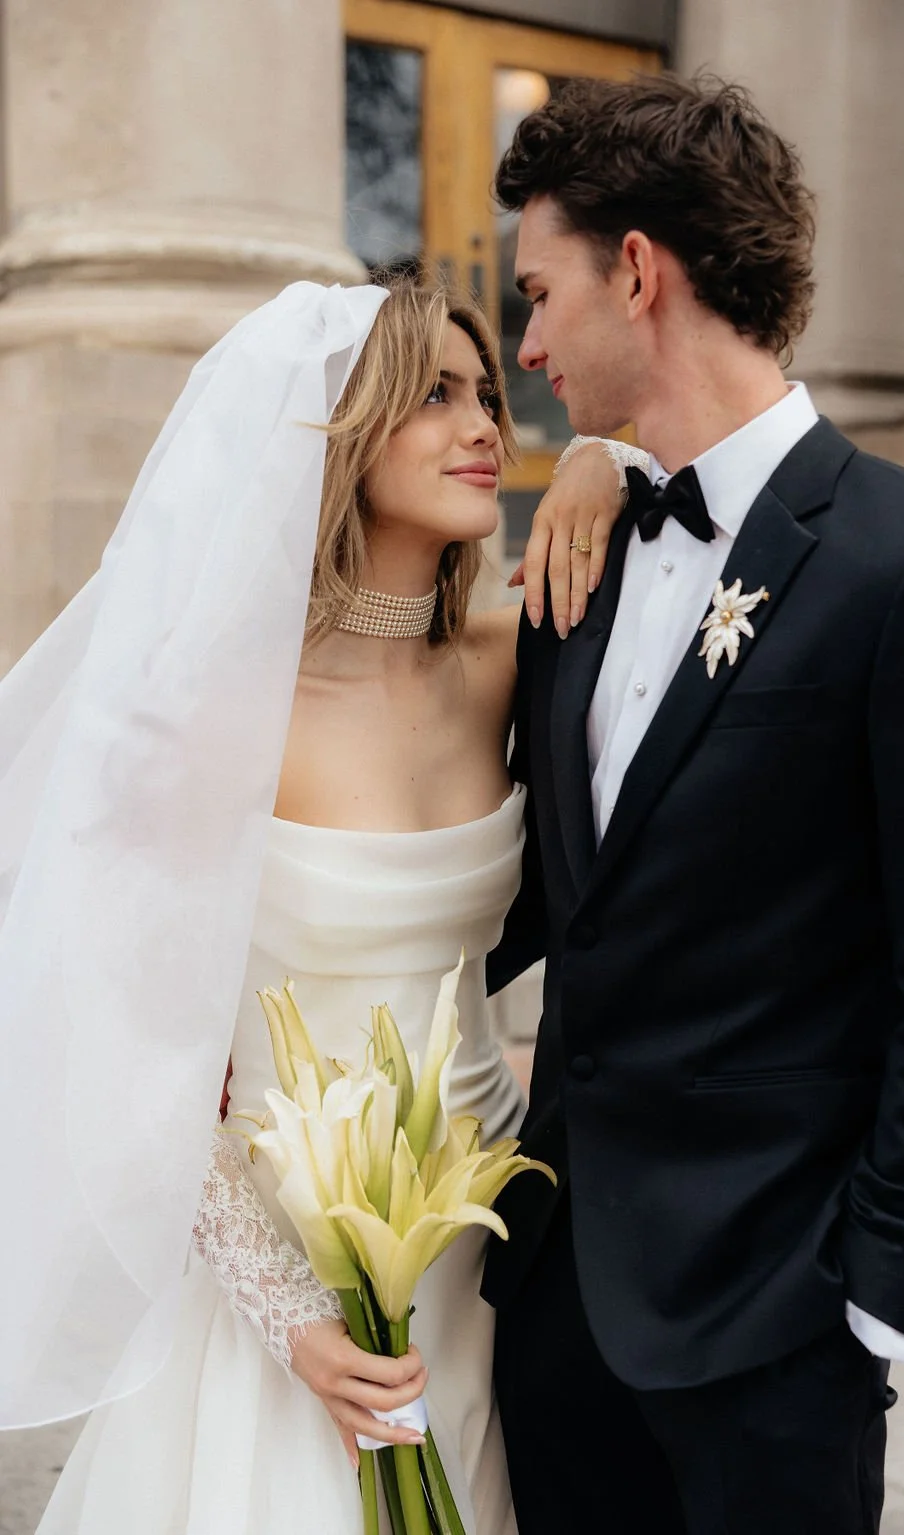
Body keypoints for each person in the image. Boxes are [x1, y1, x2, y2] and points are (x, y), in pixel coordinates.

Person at [483, 73, 904, 1535]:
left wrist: (884, 1295)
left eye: (538, 294)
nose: (525, 343)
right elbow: (545, 891)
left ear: (638, 272)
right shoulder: (571, 557)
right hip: (552, 1292)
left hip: (778, 1321)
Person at [0, 277, 628, 1533]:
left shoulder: (510, 663)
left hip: (482, 1244)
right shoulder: (210, 712)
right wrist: (294, 1317)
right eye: (435, 397)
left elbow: (759, 493)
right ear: (344, 432)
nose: (484, 428)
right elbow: (125, 1054)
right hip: (287, 1269)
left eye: (488, 395)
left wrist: (608, 454)